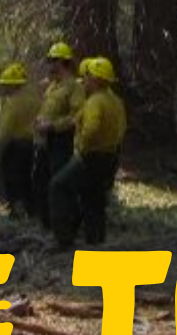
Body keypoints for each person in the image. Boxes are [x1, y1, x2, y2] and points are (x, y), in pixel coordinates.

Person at [51, 57, 127, 246]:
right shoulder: (115, 101)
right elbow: (122, 127)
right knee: (93, 197)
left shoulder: (95, 101)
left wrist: (81, 148)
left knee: (57, 185)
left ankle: (64, 238)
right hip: (109, 156)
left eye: (87, 77)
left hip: (90, 156)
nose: (84, 80)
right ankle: (95, 240)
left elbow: (91, 129)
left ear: (96, 79)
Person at [33, 42, 82, 226]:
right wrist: (39, 121)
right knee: (42, 181)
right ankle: (48, 223)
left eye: (53, 61)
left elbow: (76, 116)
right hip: (47, 141)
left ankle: (67, 224)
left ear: (63, 62)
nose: (50, 65)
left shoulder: (74, 86)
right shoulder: (53, 86)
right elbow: (47, 108)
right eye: (49, 61)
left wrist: (53, 126)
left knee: (60, 182)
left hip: (63, 141)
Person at [0, 63, 38, 218]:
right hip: (31, 145)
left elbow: (5, 130)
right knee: (27, 179)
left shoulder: (11, 103)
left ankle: (15, 212)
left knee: (12, 180)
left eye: (5, 84)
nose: (3, 87)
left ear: (13, 84)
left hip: (13, 146)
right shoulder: (34, 99)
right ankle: (31, 211)